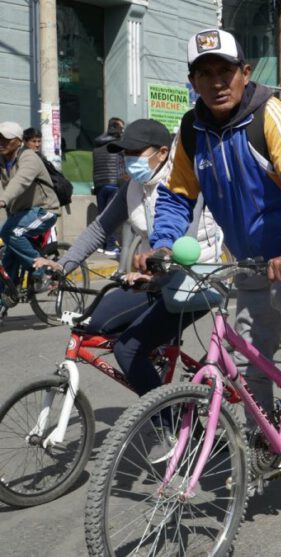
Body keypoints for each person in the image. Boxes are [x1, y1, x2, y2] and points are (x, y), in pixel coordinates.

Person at [139, 28, 281, 411]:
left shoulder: (269, 115)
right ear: (193, 82)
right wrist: (163, 244)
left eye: (226, 71)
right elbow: (176, 196)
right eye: (205, 74)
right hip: (250, 255)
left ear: (245, 72)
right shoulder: (192, 130)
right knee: (252, 354)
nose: (217, 82)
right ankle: (261, 445)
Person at [35, 118, 222, 400]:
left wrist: (153, 272)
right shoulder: (134, 188)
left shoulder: (184, 181)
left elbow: (182, 242)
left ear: (162, 153)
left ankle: (169, 423)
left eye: (136, 153)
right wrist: (63, 266)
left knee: (127, 348)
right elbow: (100, 228)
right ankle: (158, 353)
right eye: (126, 153)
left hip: (193, 279)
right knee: (94, 324)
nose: (129, 160)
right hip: (151, 277)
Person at [0, 120, 59, 324]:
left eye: (5, 139)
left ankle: (41, 272)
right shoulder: (2, 159)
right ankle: (4, 302)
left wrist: (3, 198)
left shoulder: (29, 157)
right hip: (21, 214)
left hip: (44, 210)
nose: (1, 142)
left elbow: (21, 180)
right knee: (6, 264)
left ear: (17, 141)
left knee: (11, 233)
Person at [92, 117, 126, 257]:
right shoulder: (119, 144)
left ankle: (101, 244)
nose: (123, 131)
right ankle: (111, 246)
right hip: (114, 183)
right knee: (111, 216)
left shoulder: (97, 145)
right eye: (122, 128)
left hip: (99, 183)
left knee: (102, 215)